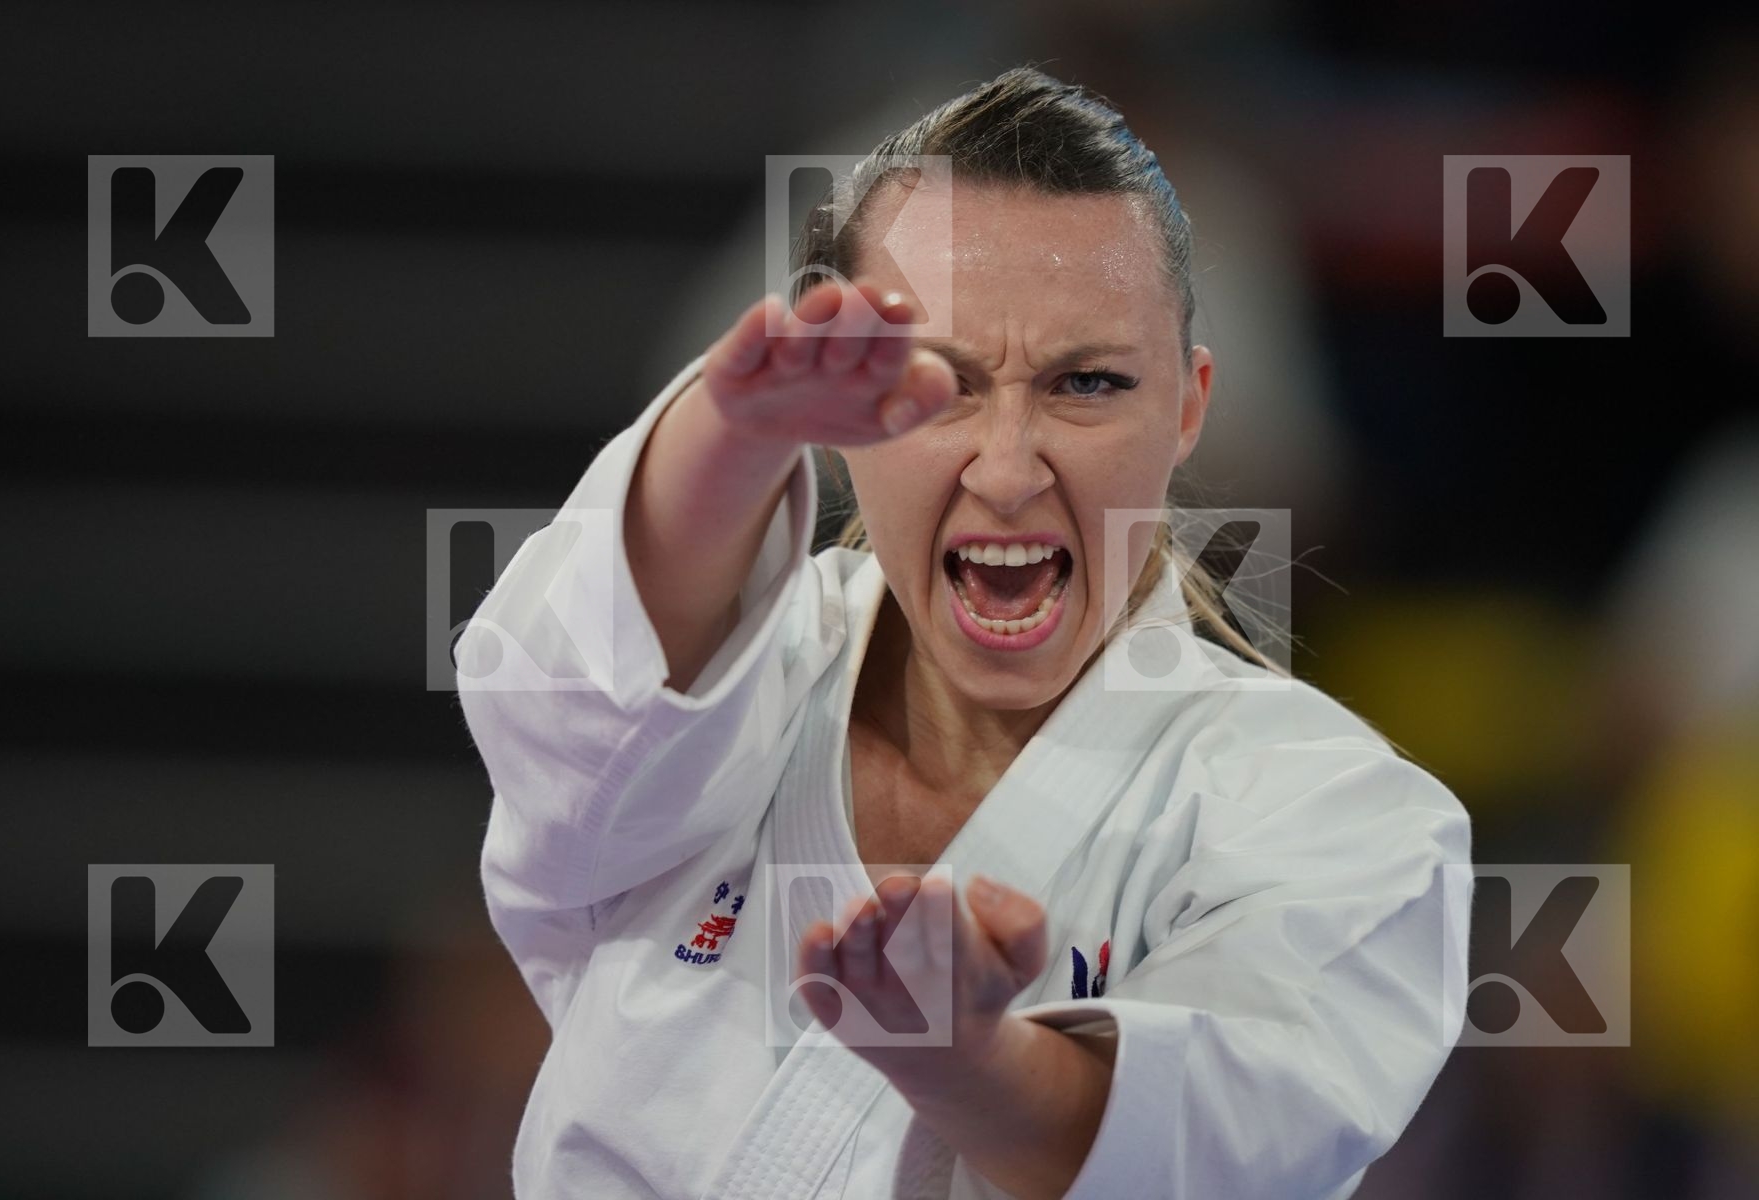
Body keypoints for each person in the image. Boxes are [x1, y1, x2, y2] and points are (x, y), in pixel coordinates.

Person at [456, 66, 1472, 1200]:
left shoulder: (1339, 815)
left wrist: (967, 1061)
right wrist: (729, 433)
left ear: (1189, 406)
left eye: (1085, 383)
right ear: (841, 417)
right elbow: (559, 716)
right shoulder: (728, 699)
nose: (1004, 469)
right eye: (941, 385)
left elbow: (1227, 1145)